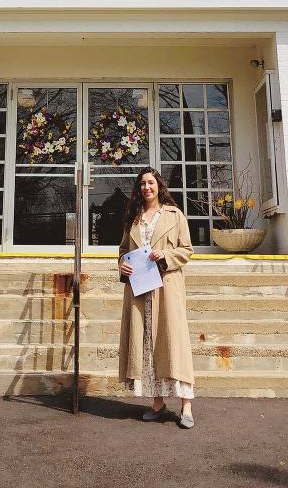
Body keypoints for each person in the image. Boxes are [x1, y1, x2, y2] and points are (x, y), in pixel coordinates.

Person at [118, 167, 195, 428]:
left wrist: (165, 256)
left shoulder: (174, 215)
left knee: (174, 343)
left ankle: (186, 406)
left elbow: (187, 250)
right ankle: (158, 403)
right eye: (142, 184)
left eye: (150, 182)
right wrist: (122, 265)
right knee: (148, 344)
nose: (146, 187)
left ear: (159, 186)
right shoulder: (134, 218)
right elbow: (123, 251)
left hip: (167, 287)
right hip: (140, 290)